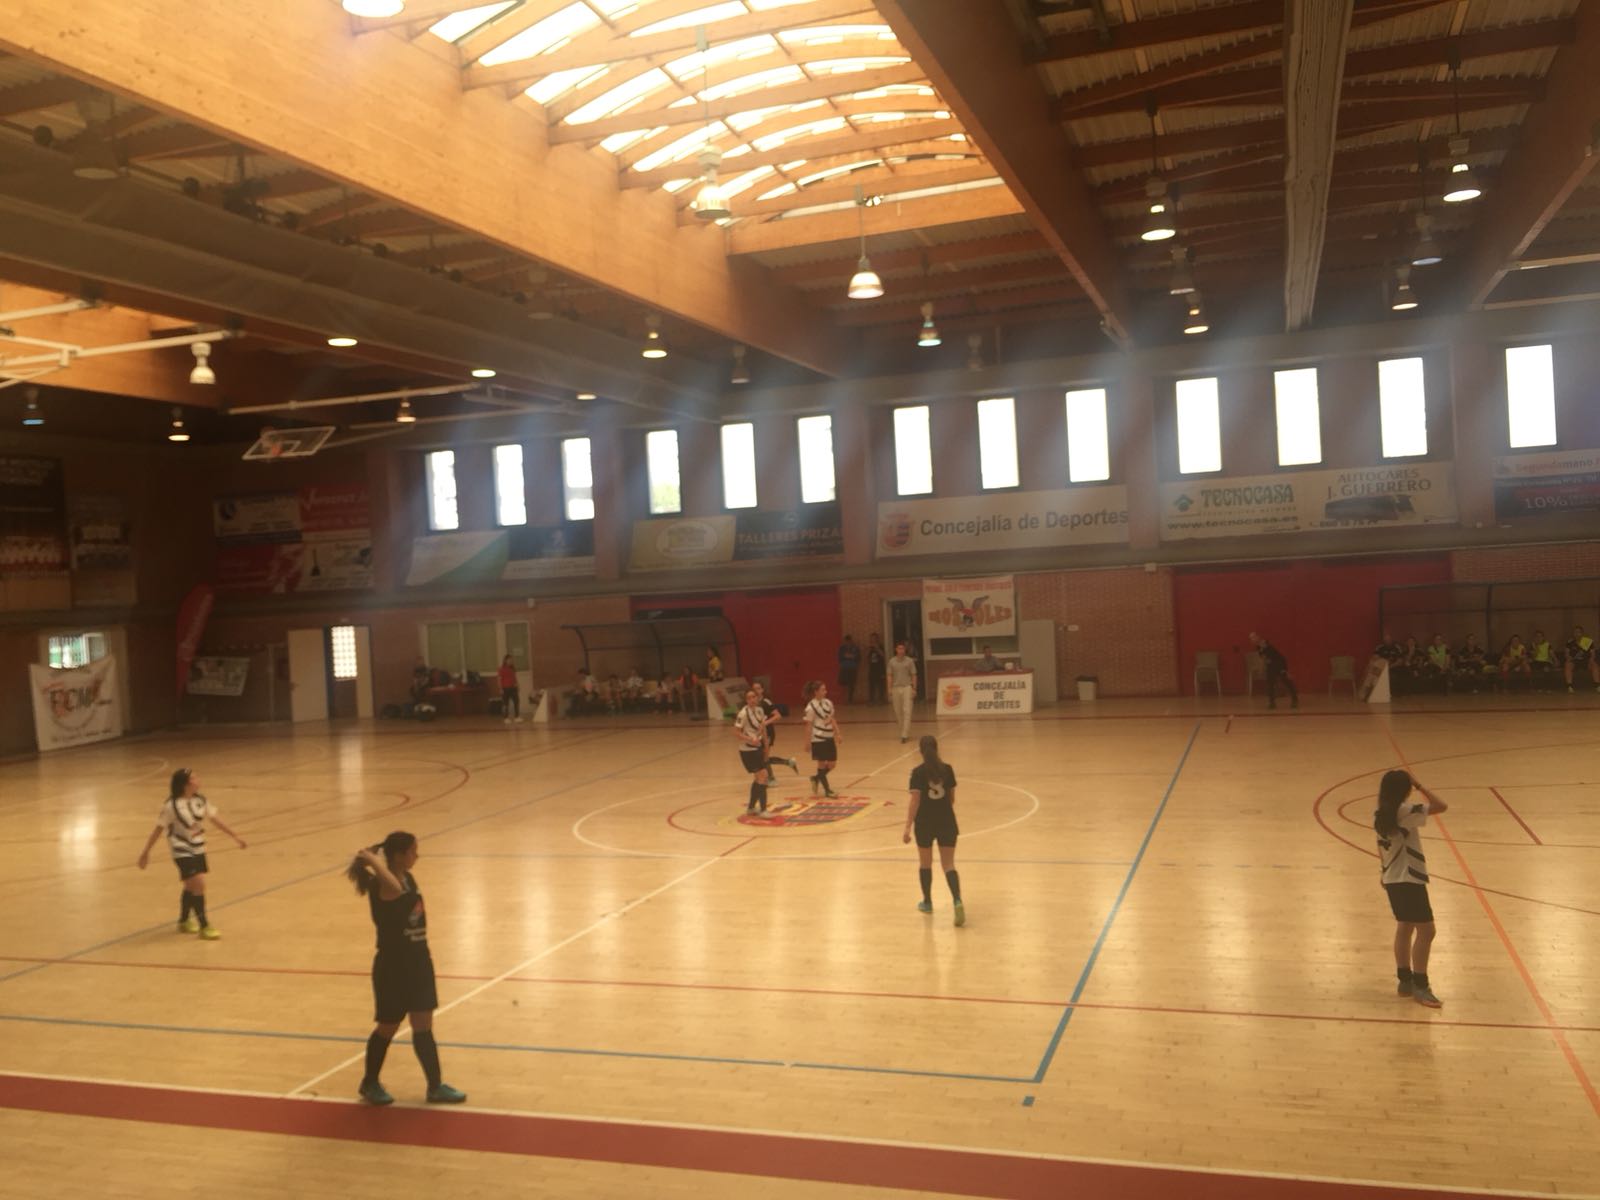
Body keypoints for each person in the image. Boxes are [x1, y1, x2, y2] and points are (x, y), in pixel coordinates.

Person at [345, 832, 467, 1105]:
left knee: (423, 1024)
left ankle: (435, 1086)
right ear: (398, 856)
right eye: (413, 851)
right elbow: (396, 890)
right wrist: (375, 862)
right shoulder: (383, 885)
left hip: (419, 962)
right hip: (393, 967)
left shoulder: (408, 877)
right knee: (388, 1026)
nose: (417, 856)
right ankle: (369, 1082)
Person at [136, 768, 247, 940]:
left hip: (198, 846)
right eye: (194, 778)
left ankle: (183, 920)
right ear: (185, 784)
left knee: (190, 886)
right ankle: (205, 925)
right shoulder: (171, 806)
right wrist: (145, 852)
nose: (198, 780)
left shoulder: (200, 801)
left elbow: (215, 819)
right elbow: (158, 829)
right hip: (180, 848)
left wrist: (235, 836)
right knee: (199, 884)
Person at [1373, 770, 1447, 1009]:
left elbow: (1380, 848)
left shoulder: (1380, 814)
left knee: (1404, 927)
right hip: (1409, 879)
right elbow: (1440, 805)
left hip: (1393, 878)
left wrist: (1383, 872)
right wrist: (1420, 784)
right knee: (1427, 932)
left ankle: (1404, 981)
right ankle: (1421, 985)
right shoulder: (1405, 811)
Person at [903, 735, 963, 926]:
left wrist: (907, 827)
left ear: (920, 751)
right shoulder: (948, 770)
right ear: (937, 749)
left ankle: (927, 902)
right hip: (946, 821)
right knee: (949, 865)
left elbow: (915, 801)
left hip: (925, 824)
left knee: (925, 864)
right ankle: (957, 901)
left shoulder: (917, 773)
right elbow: (951, 799)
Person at [734, 688, 773, 815]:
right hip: (747, 750)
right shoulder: (743, 714)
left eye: (754, 697)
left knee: (759, 778)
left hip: (758, 747)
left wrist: (766, 746)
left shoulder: (760, 710)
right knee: (763, 776)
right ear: (746, 700)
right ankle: (763, 809)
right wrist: (750, 739)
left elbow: (763, 729)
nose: (752, 700)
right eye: (749, 698)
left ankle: (751, 808)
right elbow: (736, 733)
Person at [802, 680, 841, 797]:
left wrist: (837, 733)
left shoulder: (828, 703)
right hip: (818, 738)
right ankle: (827, 790)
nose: (826, 692)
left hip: (829, 737)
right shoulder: (810, 707)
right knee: (821, 764)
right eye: (823, 690)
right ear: (816, 692)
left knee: (832, 764)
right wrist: (807, 742)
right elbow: (808, 725)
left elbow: (832, 718)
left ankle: (816, 778)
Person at [752, 680, 798, 773]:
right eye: (754, 689)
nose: (756, 691)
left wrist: (765, 723)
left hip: (768, 732)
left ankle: (771, 778)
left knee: (764, 757)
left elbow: (778, 715)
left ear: (762, 690)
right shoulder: (752, 703)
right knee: (761, 757)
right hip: (757, 733)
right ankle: (788, 762)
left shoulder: (766, 702)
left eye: (758, 688)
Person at [1248, 632, 1298, 710]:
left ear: (1258, 637)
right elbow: (1264, 658)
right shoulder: (1258, 647)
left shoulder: (1264, 644)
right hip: (1271, 666)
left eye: (1254, 637)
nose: (1252, 639)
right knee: (1270, 684)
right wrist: (1263, 668)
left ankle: (1295, 700)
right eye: (1251, 638)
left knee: (1286, 681)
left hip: (1279, 664)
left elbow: (1272, 655)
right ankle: (1272, 703)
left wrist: (1284, 670)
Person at [887, 641, 918, 743]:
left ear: (905, 650)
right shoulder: (892, 662)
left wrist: (914, 688)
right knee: (898, 711)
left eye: (902, 649)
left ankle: (905, 734)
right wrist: (889, 688)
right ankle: (903, 731)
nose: (901, 650)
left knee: (907, 710)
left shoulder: (909, 661)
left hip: (907, 687)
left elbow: (914, 675)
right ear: (896, 650)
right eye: (899, 648)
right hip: (896, 688)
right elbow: (889, 675)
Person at [1565, 625, 1600, 693]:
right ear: (1573, 633)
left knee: (1595, 665)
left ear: (1582, 633)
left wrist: (1591, 659)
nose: (1577, 634)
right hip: (1574, 661)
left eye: (1579, 632)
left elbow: (1593, 654)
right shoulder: (1570, 642)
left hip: (1586, 661)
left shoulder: (1588, 641)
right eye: (1575, 632)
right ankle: (1569, 686)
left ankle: (1598, 686)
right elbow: (1566, 654)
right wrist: (1568, 658)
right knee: (1567, 664)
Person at [836, 635, 861, 703]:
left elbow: (858, 657)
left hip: (852, 667)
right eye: (846, 641)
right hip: (844, 667)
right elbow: (840, 657)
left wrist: (849, 656)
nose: (848, 643)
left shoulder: (855, 648)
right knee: (844, 683)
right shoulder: (842, 648)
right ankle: (845, 698)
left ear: (851, 641)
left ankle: (850, 699)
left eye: (849, 641)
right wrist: (849, 656)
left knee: (852, 683)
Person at [497, 654, 521, 723]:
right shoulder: (501, 669)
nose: (511, 661)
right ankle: (506, 718)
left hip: (513, 688)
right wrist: (500, 688)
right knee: (505, 703)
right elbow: (499, 679)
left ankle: (517, 717)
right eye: (509, 659)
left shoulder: (512, 668)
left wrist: (517, 685)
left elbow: (514, 678)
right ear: (505, 660)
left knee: (516, 701)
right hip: (505, 688)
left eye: (512, 660)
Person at [866, 633, 887, 705]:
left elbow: (883, 655)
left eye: (875, 638)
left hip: (880, 668)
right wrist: (869, 649)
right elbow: (866, 656)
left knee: (881, 684)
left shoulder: (880, 646)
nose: (873, 640)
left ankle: (881, 700)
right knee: (871, 685)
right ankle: (871, 700)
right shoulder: (870, 647)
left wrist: (877, 648)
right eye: (872, 638)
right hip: (872, 668)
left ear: (877, 639)